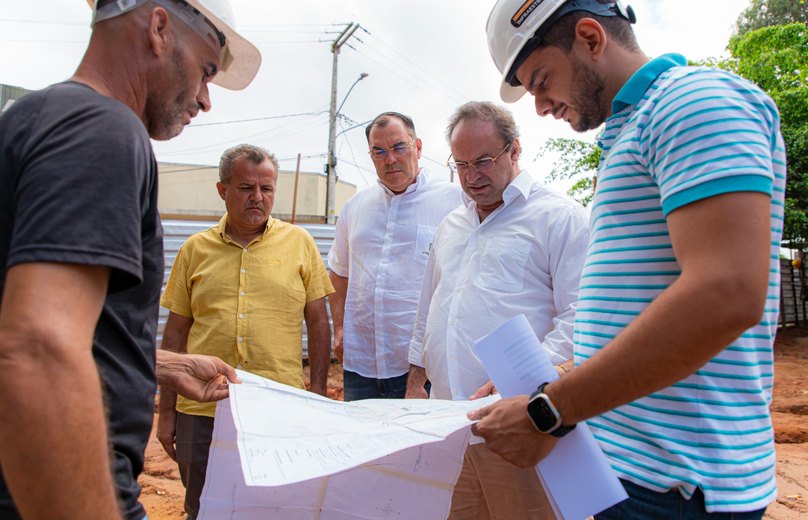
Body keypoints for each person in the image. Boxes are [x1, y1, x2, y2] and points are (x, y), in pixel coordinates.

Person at [472, 0, 787, 517]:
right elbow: (642, 306)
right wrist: (560, 376)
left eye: (542, 80)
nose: (541, 106)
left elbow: (726, 292)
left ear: (591, 38)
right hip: (625, 470)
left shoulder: (695, 101)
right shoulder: (629, 133)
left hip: (676, 488)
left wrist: (547, 410)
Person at [0, 0, 262, 518]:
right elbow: (37, 349)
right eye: (205, 71)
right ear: (158, 27)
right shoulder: (102, 131)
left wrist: (166, 364)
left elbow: (20, 317)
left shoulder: (36, 118)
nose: (204, 98)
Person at [406, 101, 589, 519]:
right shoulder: (451, 225)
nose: (471, 177)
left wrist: (524, 381)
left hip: (521, 427)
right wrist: (418, 383)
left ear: (515, 150)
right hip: (447, 427)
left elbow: (580, 318)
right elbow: (429, 309)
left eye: (484, 161)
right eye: (461, 164)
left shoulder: (559, 218)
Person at [157, 144, 334, 519]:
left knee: (275, 507)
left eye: (266, 189)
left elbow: (319, 322)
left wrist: (317, 393)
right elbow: (173, 336)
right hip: (202, 410)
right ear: (222, 190)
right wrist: (167, 414)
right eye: (245, 188)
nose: (258, 197)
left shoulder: (300, 244)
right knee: (203, 508)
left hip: (278, 407)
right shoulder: (194, 250)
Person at [327, 111, 462, 401]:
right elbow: (338, 271)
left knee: (423, 446)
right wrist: (339, 327)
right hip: (361, 366)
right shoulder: (355, 208)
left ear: (419, 147)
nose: (390, 159)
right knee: (364, 445)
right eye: (379, 151)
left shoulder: (454, 202)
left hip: (424, 369)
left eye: (399, 147)